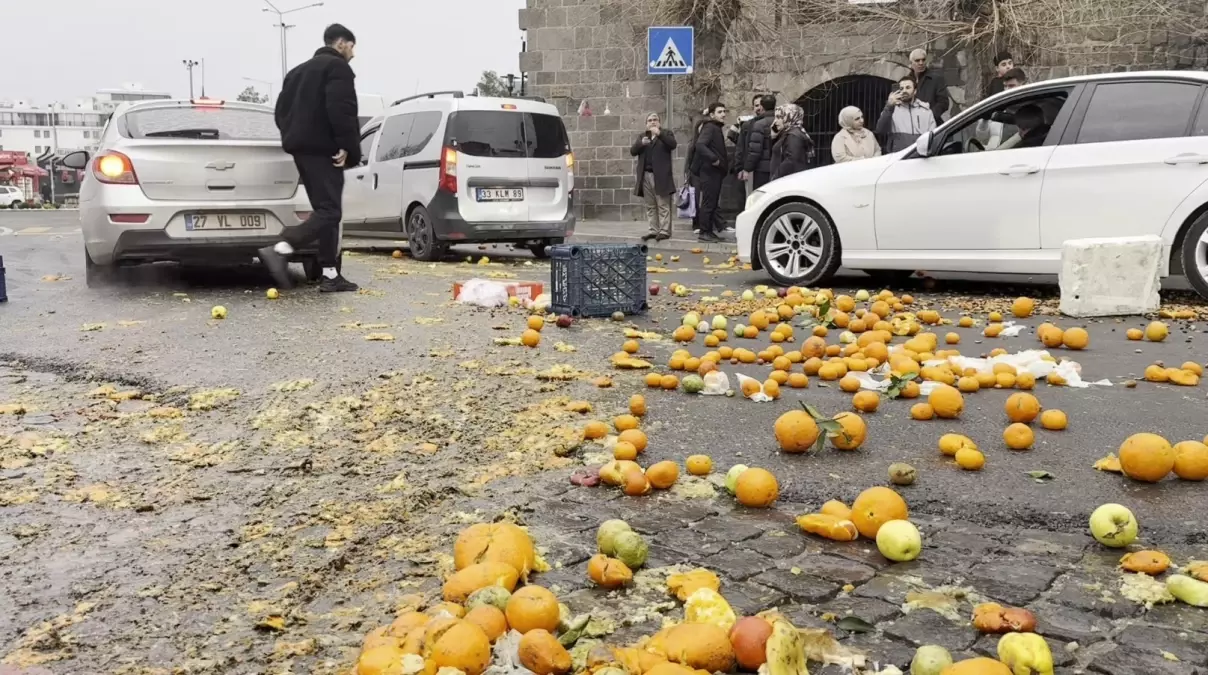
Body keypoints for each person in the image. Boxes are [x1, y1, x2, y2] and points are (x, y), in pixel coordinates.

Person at [260, 23, 361, 293]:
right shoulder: (337, 68)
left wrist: (295, 138)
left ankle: (330, 274)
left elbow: (281, 112)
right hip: (324, 150)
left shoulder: (296, 72)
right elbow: (342, 109)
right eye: (351, 47)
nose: (353, 54)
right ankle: (282, 247)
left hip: (302, 150)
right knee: (330, 211)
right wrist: (346, 146)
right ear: (341, 44)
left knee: (325, 211)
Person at [631, 112, 678, 242]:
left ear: (659, 122)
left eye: (655, 120)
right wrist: (641, 144)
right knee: (650, 205)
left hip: (661, 175)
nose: (652, 122)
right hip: (645, 175)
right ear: (646, 124)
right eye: (650, 120)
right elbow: (633, 151)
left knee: (663, 204)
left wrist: (659, 134)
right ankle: (653, 230)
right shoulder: (643, 136)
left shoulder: (666, 134)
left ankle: (664, 231)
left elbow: (673, 144)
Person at [692, 102, 729, 243]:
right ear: (712, 114)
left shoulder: (715, 127)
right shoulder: (710, 127)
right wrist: (714, 159)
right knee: (708, 202)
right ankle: (704, 232)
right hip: (710, 171)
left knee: (712, 202)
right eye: (720, 112)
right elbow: (700, 145)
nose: (723, 114)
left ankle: (708, 231)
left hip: (714, 171)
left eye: (724, 111)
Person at [875, 76, 937, 153]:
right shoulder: (892, 109)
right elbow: (880, 130)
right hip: (899, 157)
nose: (904, 91)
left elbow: (933, 136)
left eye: (908, 88)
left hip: (921, 157)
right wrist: (889, 106)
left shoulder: (926, 111)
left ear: (915, 91)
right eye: (901, 88)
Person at [742, 95, 778, 190]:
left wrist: (747, 168)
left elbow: (755, 150)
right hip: (777, 167)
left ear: (762, 107)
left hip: (762, 169)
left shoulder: (759, 124)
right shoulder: (780, 121)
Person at [769, 104, 813, 179]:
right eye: (775, 117)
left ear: (790, 117)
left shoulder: (793, 135)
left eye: (779, 117)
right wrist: (774, 136)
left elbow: (791, 161)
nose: (775, 121)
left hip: (785, 180)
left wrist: (776, 176)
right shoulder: (789, 132)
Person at [908, 48, 949, 125]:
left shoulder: (936, 79)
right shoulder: (906, 82)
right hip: (911, 125)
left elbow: (944, 103)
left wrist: (929, 116)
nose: (921, 63)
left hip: (932, 123)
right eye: (917, 60)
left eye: (923, 60)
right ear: (911, 63)